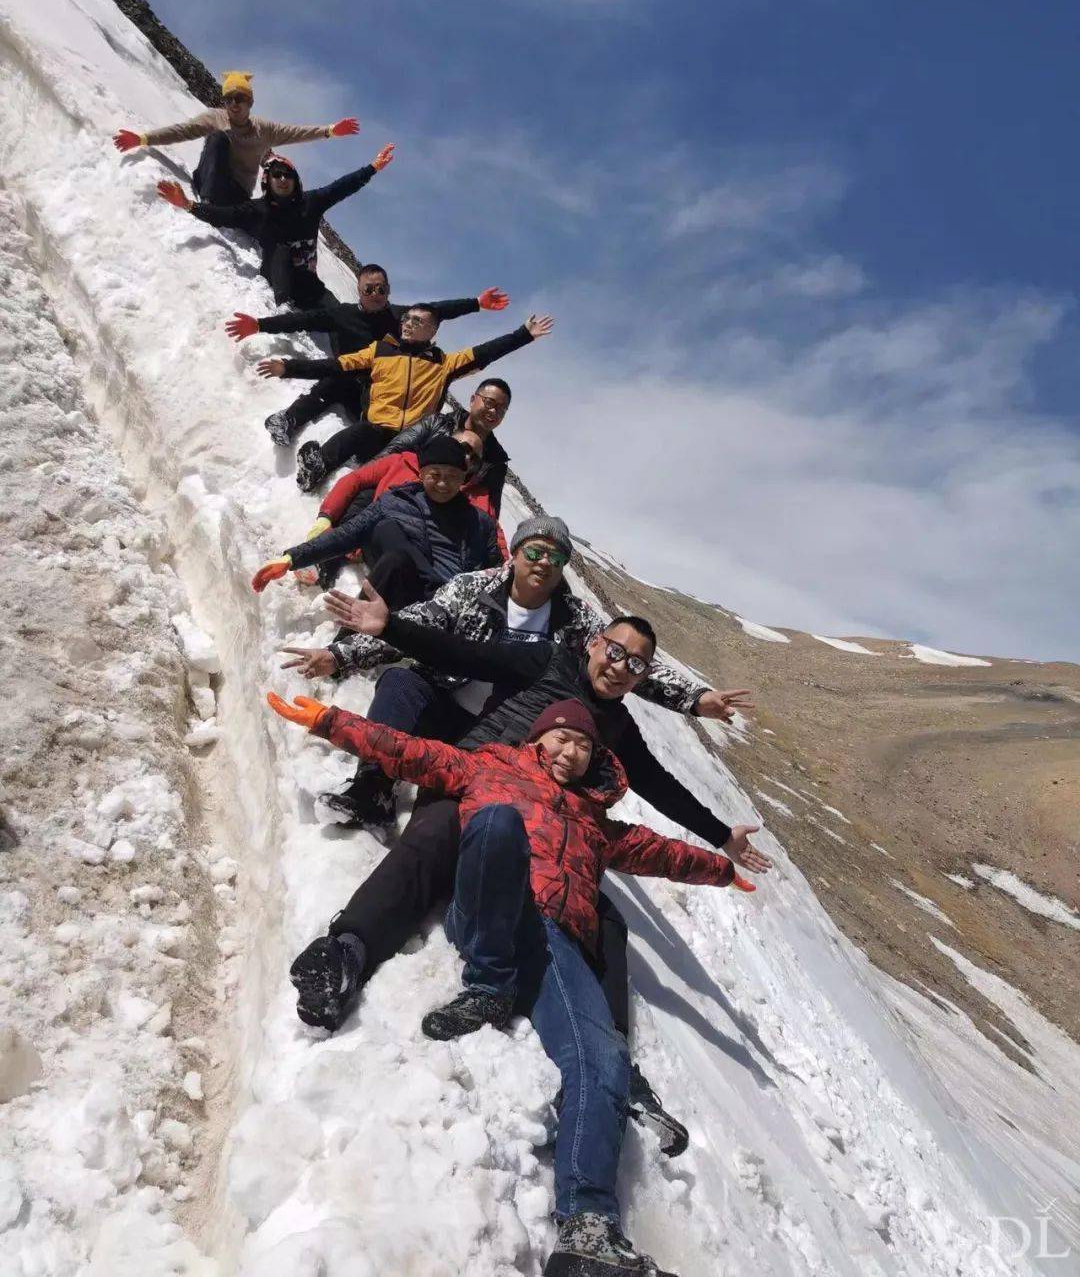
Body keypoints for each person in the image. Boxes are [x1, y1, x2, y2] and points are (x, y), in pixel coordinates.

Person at [269, 690, 751, 1277]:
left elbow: (664, 853)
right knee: (495, 821)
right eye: (562, 738)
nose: (572, 751)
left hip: (555, 944)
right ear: (539, 739)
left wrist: (725, 869)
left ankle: (588, 1233)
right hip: (488, 912)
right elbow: (409, 751)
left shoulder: (596, 824)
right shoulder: (487, 766)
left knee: (599, 1058)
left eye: (583, 745)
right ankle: (488, 984)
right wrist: (329, 721)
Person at [288, 582, 763, 1151]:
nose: (620, 667)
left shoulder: (620, 732)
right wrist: (390, 628)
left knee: (605, 918)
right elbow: (468, 654)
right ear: (593, 645)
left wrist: (719, 837)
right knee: (437, 833)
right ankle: (349, 949)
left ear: (642, 679)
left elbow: (661, 788)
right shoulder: (546, 662)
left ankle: (610, 1057)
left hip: (547, 829)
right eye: (615, 651)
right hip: (478, 784)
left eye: (636, 665)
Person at [284, 516, 590, 822]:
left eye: (557, 557)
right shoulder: (472, 588)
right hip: (445, 702)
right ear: (515, 552)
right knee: (400, 681)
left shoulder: (576, 621)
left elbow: (617, 660)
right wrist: (339, 655)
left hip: (509, 736)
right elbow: (417, 626)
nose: (544, 562)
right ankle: (373, 786)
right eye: (536, 552)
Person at [256, 308, 552, 492]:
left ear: (433, 330)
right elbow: (336, 366)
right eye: (406, 318)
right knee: (361, 430)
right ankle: (317, 467)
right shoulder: (380, 352)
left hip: (413, 442)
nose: (407, 323)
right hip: (376, 433)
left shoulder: (445, 364)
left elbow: (485, 352)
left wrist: (523, 335)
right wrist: (290, 367)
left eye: (417, 320)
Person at [224, 263, 511, 447]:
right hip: (347, 373)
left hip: (378, 390)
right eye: (369, 289)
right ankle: (288, 419)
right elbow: (302, 321)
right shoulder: (343, 314)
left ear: (389, 290)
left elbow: (437, 310)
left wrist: (476, 303)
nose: (376, 294)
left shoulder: (401, 316)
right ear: (359, 291)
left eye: (381, 289)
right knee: (338, 376)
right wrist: (260, 324)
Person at [252, 437, 503, 615]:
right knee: (392, 548)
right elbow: (347, 534)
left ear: (463, 479)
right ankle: (339, 655)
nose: (442, 484)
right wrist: (291, 558)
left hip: (453, 608)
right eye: (435, 474)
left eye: (452, 477)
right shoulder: (395, 502)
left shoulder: (481, 523)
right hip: (409, 592)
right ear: (421, 472)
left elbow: (498, 575)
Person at [156, 145, 394, 309]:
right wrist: (188, 205)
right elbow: (223, 215)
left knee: (339, 315)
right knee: (280, 249)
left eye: (287, 175)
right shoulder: (257, 210)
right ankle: (282, 306)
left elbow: (341, 187)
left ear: (295, 181)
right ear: (267, 180)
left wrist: (372, 168)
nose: (282, 179)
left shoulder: (310, 203)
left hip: (309, 284)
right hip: (277, 278)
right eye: (277, 174)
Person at [293, 428, 509, 590]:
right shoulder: (404, 462)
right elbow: (355, 480)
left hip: (431, 573)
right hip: (379, 544)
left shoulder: (479, 498)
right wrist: (326, 517)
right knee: (375, 513)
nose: (467, 458)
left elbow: (496, 543)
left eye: (475, 458)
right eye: (463, 449)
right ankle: (326, 561)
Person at [114, 69, 358, 204]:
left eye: (240, 98)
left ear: (249, 101)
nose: (234, 104)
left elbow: (295, 132)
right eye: (229, 98)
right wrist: (143, 139)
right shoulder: (214, 117)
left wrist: (329, 131)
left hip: (236, 194)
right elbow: (181, 131)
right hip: (206, 182)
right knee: (218, 138)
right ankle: (207, 203)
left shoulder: (264, 129)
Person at [375, 375, 514, 519]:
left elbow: (490, 514)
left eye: (501, 409)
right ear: (473, 400)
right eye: (489, 402)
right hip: (398, 494)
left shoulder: (495, 463)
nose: (493, 412)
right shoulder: (436, 423)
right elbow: (388, 456)